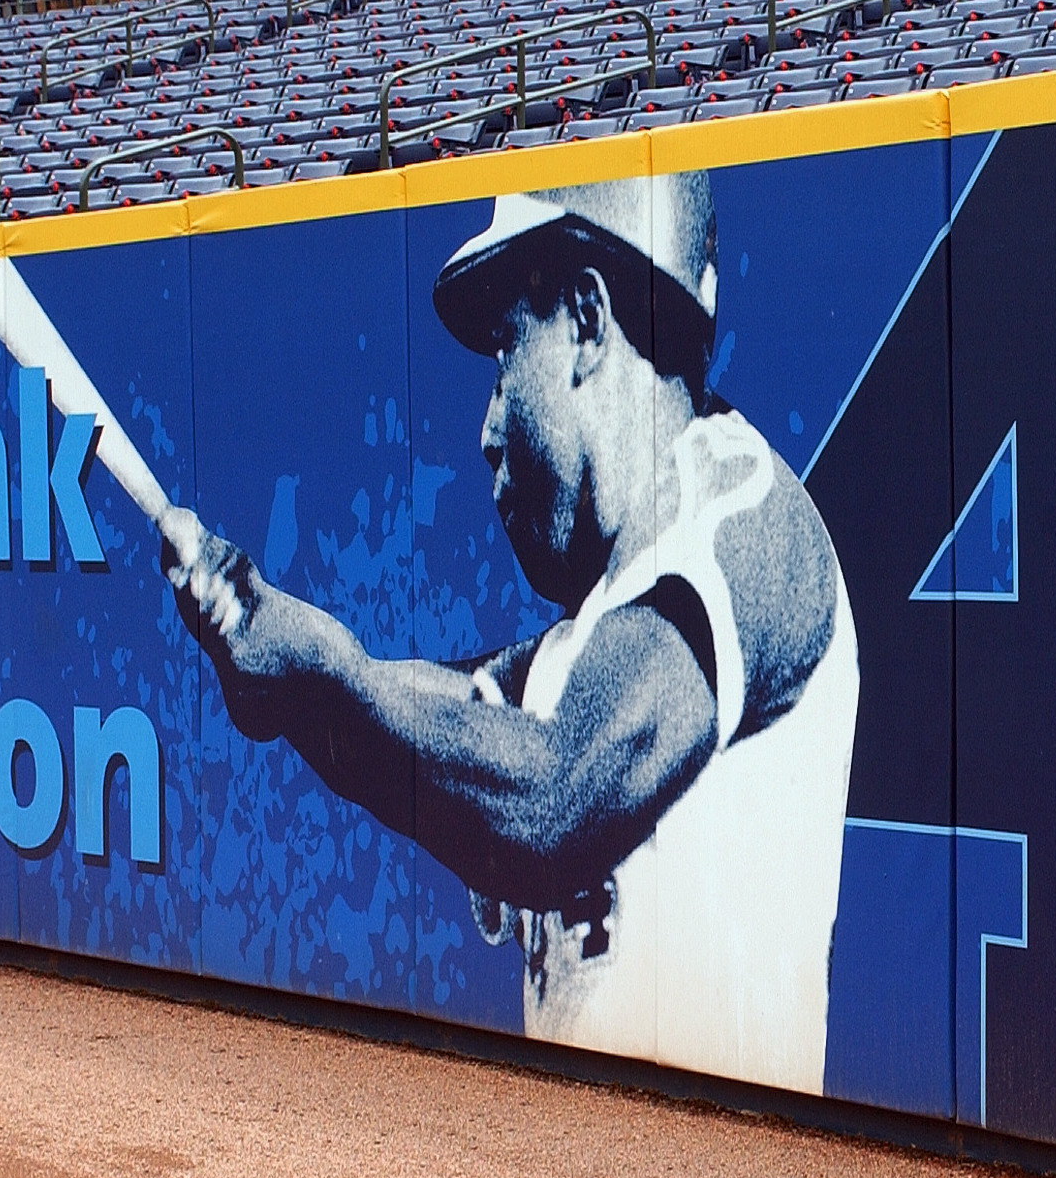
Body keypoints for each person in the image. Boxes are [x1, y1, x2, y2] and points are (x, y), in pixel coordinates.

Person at [158, 173, 859, 1093]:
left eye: (503, 353)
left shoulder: (745, 521)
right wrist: (279, 666)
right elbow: (434, 714)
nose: (488, 430)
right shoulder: (600, 629)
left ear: (585, 318)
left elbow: (555, 796)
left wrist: (319, 671)